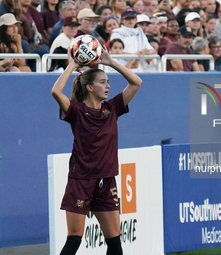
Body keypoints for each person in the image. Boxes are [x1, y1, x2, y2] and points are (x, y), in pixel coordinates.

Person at [51, 46, 142, 255]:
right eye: (102, 82)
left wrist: (111, 63)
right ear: (90, 88)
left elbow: (136, 82)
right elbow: (56, 91)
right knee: (74, 240)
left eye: (107, 82)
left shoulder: (113, 108)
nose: (107, 86)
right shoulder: (76, 111)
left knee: (115, 244)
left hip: (107, 180)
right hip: (80, 181)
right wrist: (72, 65)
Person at [110, 7, 157, 72]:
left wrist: (147, 52)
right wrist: (134, 55)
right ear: (122, 20)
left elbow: (153, 50)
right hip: (121, 68)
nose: (130, 20)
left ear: (136, 20)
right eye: (127, 18)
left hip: (138, 69)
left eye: (132, 18)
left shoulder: (139, 33)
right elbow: (115, 51)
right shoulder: (117, 33)